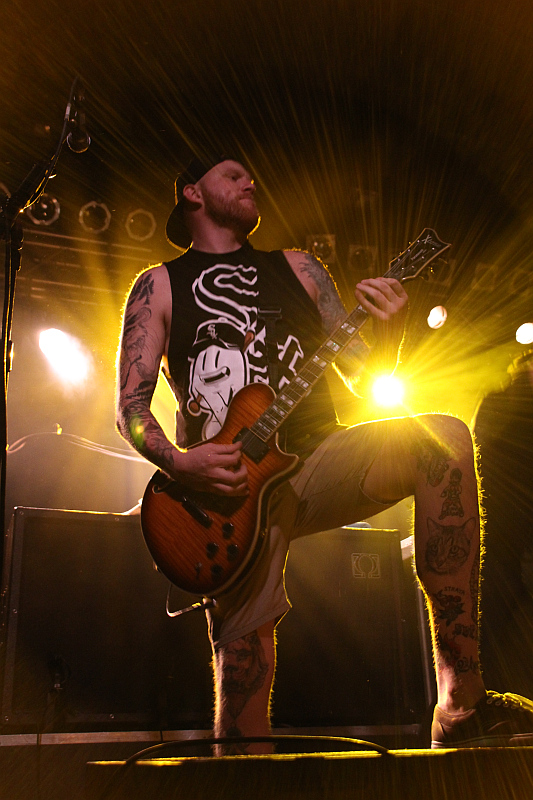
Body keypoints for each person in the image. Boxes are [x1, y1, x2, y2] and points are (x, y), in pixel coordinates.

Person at [116, 154, 533, 752]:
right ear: (192, 193)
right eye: (232, 175)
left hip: (316, 457)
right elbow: (131, 407)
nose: (249, 181)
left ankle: (460, 703)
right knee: (241, 706)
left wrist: (389, 330)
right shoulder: (159, 284)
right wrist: (182, 462)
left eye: (250, 175)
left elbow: (366, 375)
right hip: (226, 491)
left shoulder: (300, 268)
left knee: (443, 442)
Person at [473, 352, 533, 698]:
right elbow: (480, 461)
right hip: (497, 537)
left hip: (513, 537)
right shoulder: (500, 403)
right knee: (498, 618)